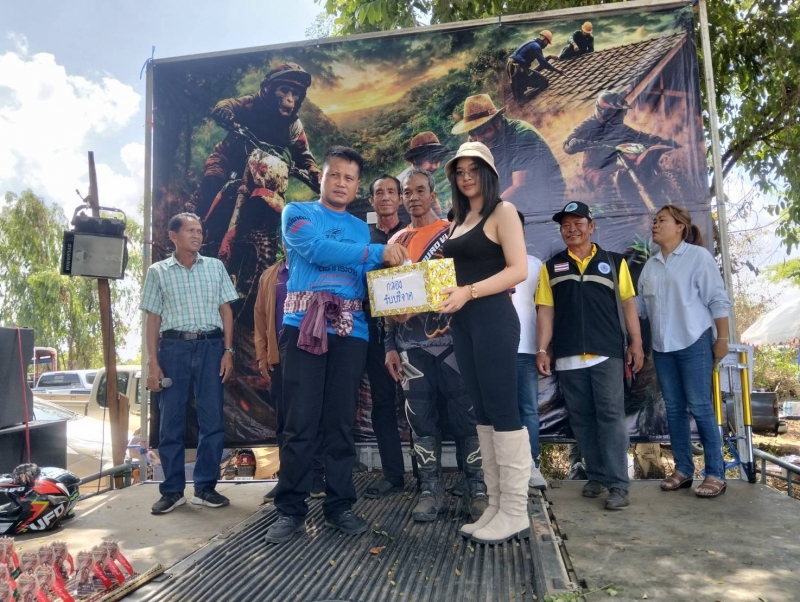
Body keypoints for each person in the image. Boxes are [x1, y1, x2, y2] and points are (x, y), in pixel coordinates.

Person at [264, 146, 408, 544]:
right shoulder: (297, 213)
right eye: (335, 175)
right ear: (322, 178)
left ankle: (340, 505)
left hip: (352, 332)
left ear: (356, 185)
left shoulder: (361, 229)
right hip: (303, 328)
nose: (341, 183)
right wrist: (377, 252)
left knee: (341, 423)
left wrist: (402, 295)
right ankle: (291, 509)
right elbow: (316, 250)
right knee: (299, 423)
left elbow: (368, 279)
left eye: (349, 178)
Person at [438, 142, 530, 545]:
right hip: (463, 323)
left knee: (503, 409)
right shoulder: (458, 219)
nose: (466, 177)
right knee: (484, 413)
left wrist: (469, 292)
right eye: (459, 171)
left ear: (489, 173)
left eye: (473, 169)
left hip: (493, 319)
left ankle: (515, 511)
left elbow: (518, 269)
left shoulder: (502, 211)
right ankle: (496, 505)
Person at [384, 169, 487, 521]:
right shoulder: (396, 241)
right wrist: (389, 345)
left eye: (419, 190)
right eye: (407, 192)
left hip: (456, 344)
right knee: (421, 423)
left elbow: (472, 285)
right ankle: (429, 491)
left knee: (468, 420)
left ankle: (476, 489)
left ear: (433, 195)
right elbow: (389, 299)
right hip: (411, 348)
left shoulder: (453, 233)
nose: (413, 197)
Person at [535, 201, 644, 511]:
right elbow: (546, 310)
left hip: (607, 354)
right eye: (565, 225)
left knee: (611, 417)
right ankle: (595, 475)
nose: (571, 229)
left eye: (578, 223)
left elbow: (628, 304)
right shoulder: (551, 267)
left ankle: (618, 485)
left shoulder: (614, 262)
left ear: (591, 226)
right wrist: (542, 349)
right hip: (568, 357)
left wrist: (636, 343)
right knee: (582, 419)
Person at [140, 212, 239, 515]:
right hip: (173, 349)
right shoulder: (158, 271)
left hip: (211, 347)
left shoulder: (215, 267)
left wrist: (228, 351)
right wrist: (153, 362)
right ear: (173, 236)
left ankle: (205, 488)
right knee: (170, 421)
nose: (197, 235)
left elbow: (226, 311)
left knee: (212, 421)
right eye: (190, 230)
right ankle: (172, 491)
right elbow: (153, 319)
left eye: (199, 230)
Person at [637, 205, 731, 498]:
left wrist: (722, 338)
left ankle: (715, 474)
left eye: (662, 220)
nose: (655, 225)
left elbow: (717, 299)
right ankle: (683, 470)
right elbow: (639, 308)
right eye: (654, 221)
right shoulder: (651, 266)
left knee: (700, 406)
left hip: (695, 342)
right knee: (674, 409)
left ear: (680, 226)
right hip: (663, 348)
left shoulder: (698, 257)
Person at [192, 63, 320, 245]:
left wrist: (314, 172)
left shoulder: (293, 125)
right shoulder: (250, 104)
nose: (290, 99)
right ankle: (192, 230)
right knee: (212, 182)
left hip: (261, 171)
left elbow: (303, 153)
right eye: (284, 91)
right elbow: (227, 104)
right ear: (269, 89)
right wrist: (224, 113)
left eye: (295, 93)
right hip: (228, 159)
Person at [253, 254, 326, 502]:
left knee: (315, 417)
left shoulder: (318, 267)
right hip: (280, 357)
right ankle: (287, 480)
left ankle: (316, 477)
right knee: (285, 421)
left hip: (314, 353)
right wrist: (262, 357)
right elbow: (260, 318)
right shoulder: (270, 276)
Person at [362, 175, 408, 500]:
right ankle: (393, 474)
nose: (386, 197)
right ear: (372, 201)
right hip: (373, 331)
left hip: (412, 330)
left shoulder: (411, 234)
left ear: (400, 199)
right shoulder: (364, 239)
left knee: (424, 402)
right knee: (382, 402)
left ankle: (430, 477)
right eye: (379, 192)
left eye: (392, 191)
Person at [451, 94, 566, 218]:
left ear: (497, 122)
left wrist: (485, 212)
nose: (478, 139)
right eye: (473, 133)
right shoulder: (476, 142)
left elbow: (518, 185)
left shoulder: (522, 135)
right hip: (508, 204)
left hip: (543, 202)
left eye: (483, 131)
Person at [563, 91, 680, 193]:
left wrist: (661, 140)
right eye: (613, 113)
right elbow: (567, 144)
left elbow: (641, 136)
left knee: (639, 170)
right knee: (607, 186)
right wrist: (574, 144)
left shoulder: (620, 128)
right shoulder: (588, 126)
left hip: (619, 164)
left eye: (620, 112)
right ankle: (607, 211)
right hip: (596, 168)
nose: (617, 116)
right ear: (602, 111)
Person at [511, 214, 547, 490]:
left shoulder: (536, 266)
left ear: (522, 232)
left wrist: (543, 348)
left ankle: (531, 466)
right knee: (494, 412)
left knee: (528, 411)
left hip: (526, 349)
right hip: (493, 351)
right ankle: (500, 470)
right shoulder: (488, 265)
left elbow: (545, 309)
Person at [506, 30, 565, 103]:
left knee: (519, 97)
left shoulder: (532, 44)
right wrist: (556, 70)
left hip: (513, 68)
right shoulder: (536, 47)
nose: (546, 45)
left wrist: (549, 57)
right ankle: (528, 100)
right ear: (544, 40)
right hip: (518, 69)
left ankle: (522, 98)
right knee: (544, 82)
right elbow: (543, 63)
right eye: (547, 42)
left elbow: (541, 62)